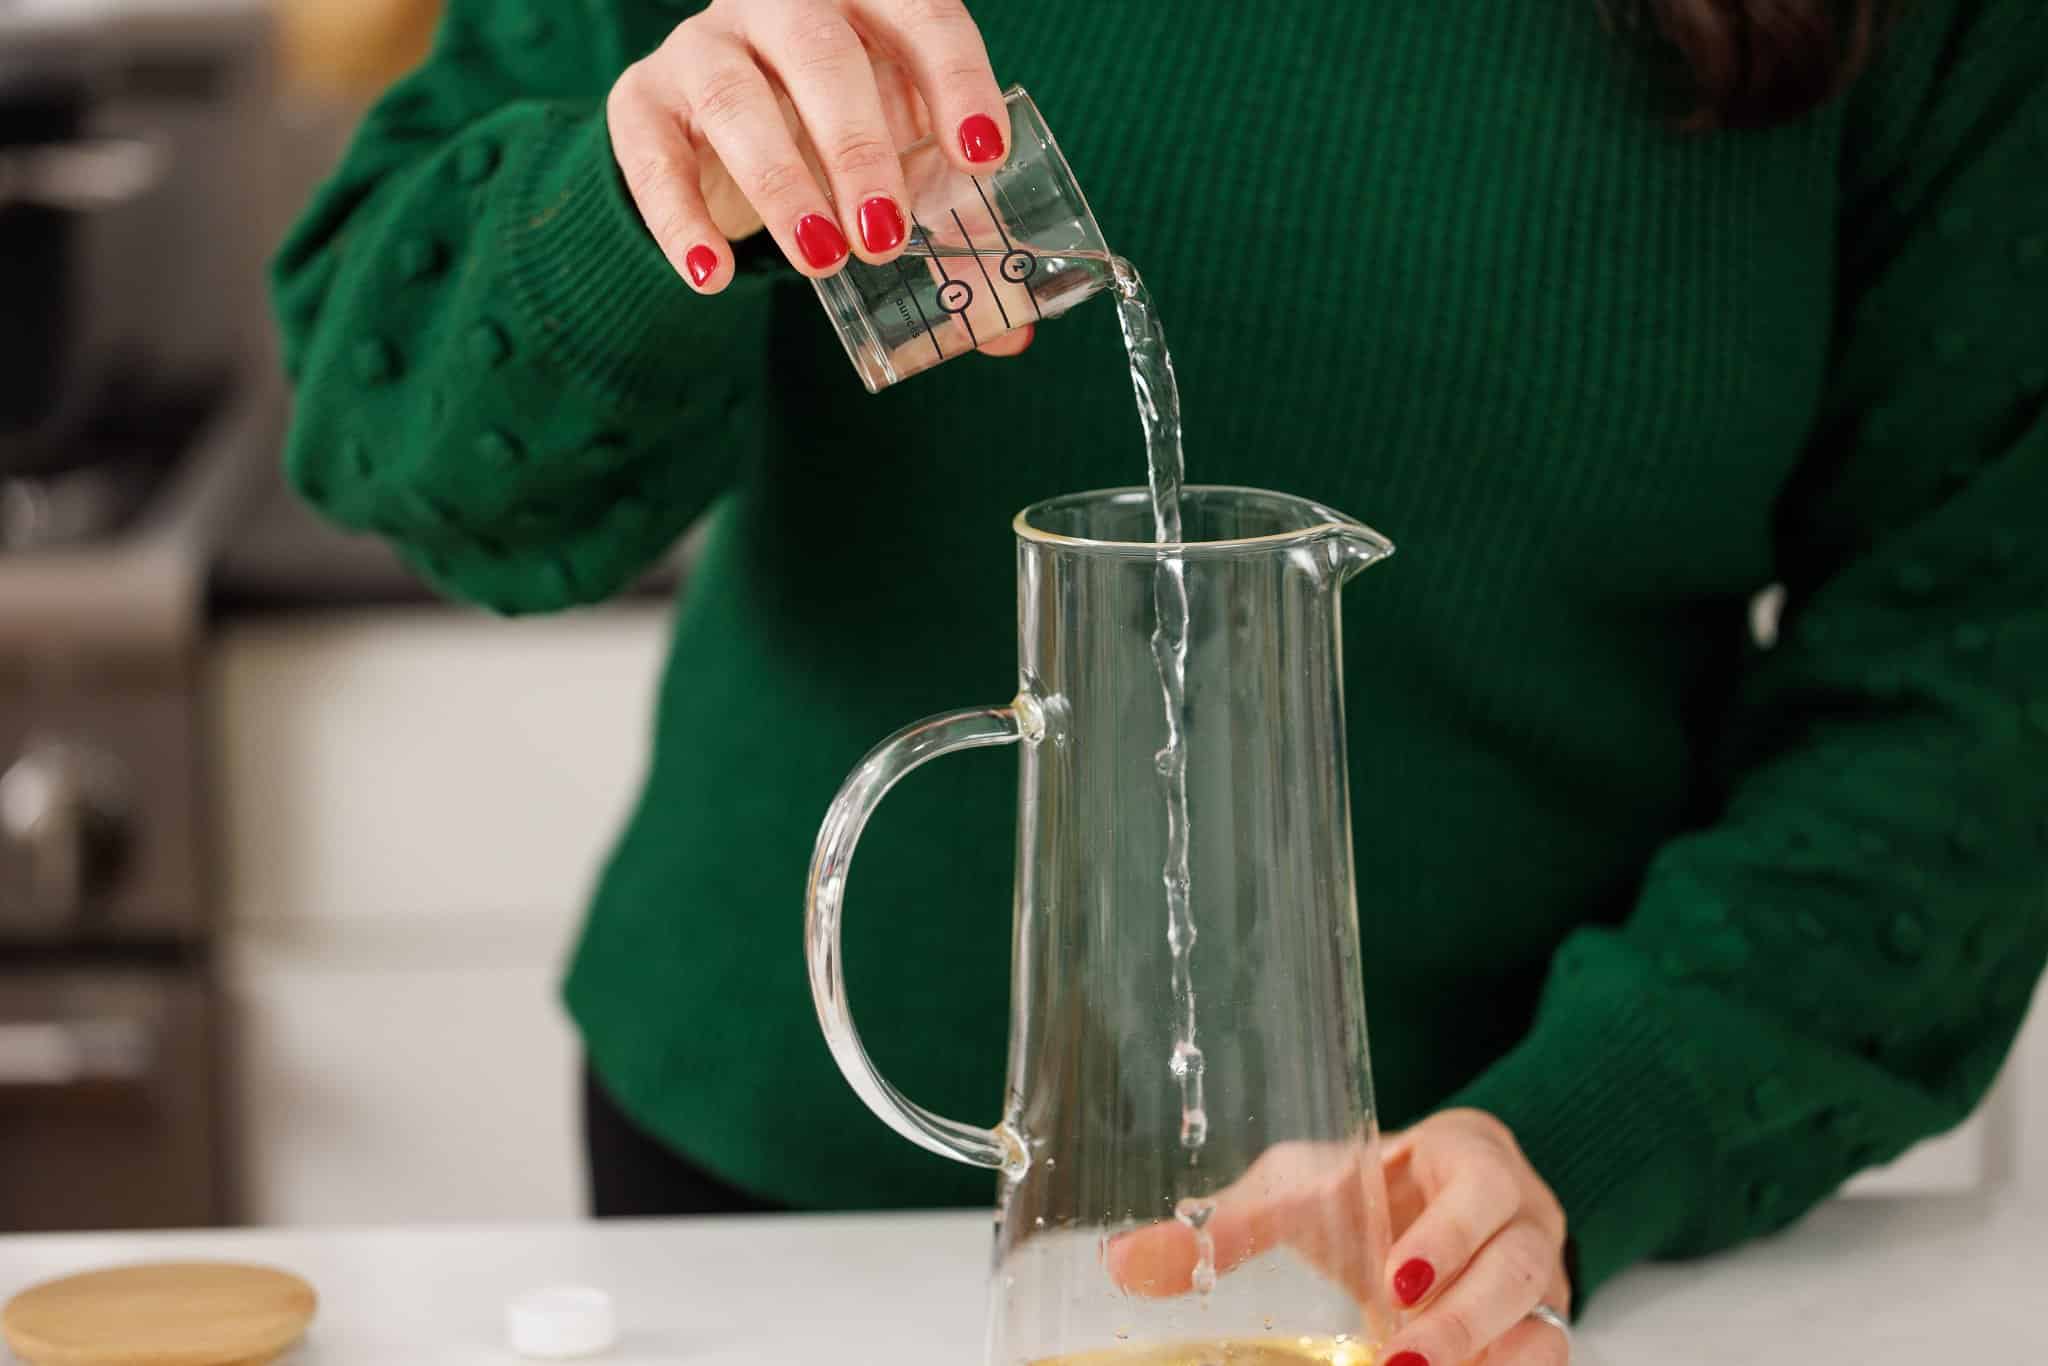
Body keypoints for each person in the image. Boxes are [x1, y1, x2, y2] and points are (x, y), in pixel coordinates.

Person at [271, 1, 2047, 1361]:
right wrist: (630, 198)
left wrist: (1594, 1127)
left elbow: (1970, 702)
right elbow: (387, 420)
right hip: (776, 1231)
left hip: (1482, 1281)